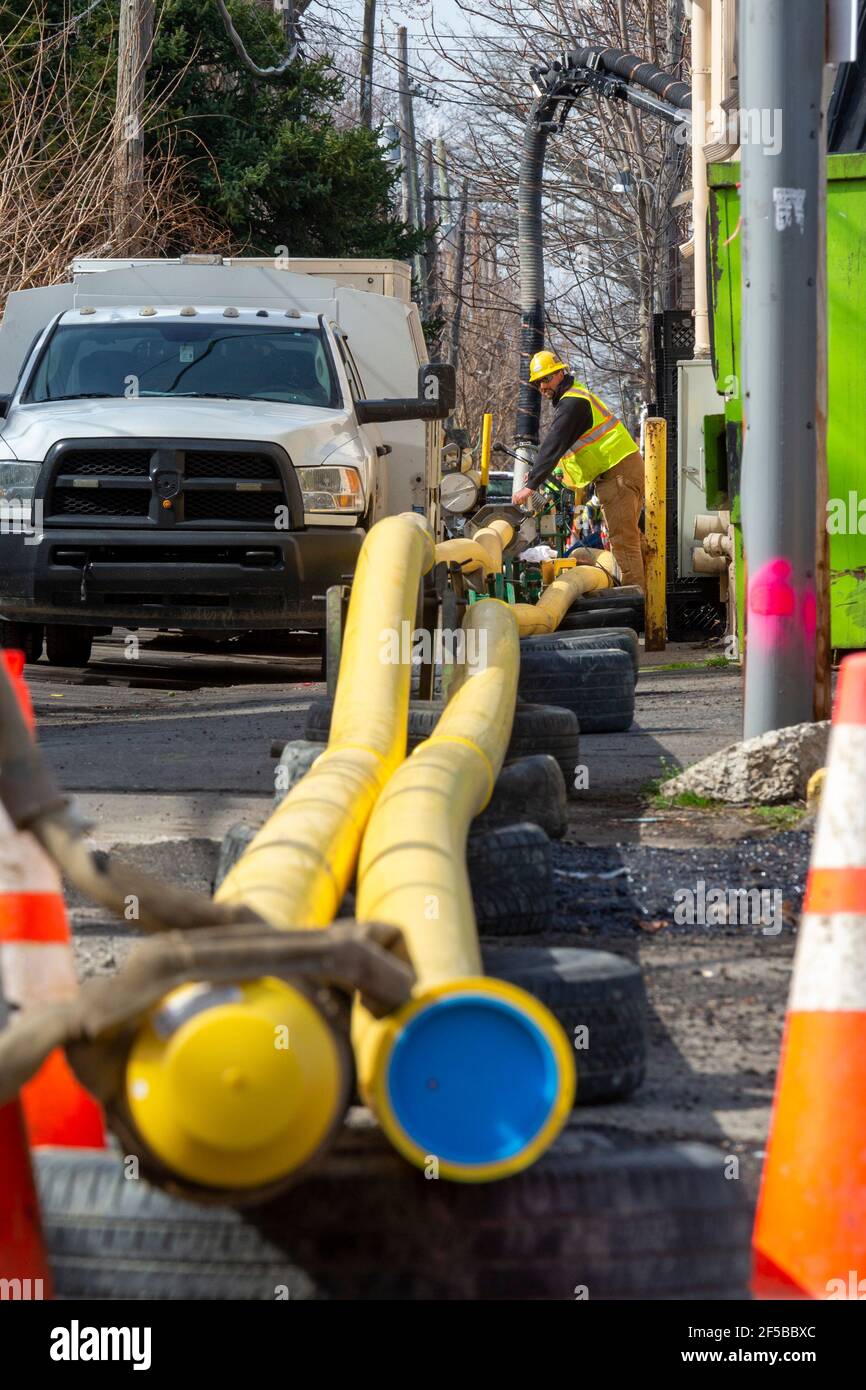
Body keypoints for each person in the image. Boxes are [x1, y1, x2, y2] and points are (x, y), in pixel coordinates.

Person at [512, 350, 646, 591]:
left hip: (617, 473)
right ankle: (649, 595)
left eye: (546, 379)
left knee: (624, 542)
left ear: (560, 374)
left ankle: (636, 600)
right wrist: (540, 474)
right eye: (538, 382)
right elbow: (567, 449)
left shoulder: (572, 403)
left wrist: (531, 485)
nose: (543, 387)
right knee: (632, 538)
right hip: (622, 469)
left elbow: (554, 443)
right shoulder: (575, 399)